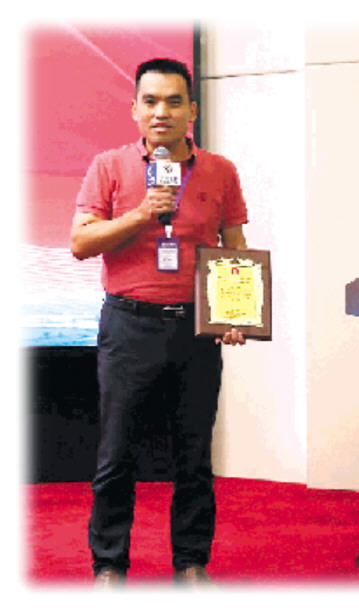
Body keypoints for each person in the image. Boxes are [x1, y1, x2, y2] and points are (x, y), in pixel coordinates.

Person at [70, 58, 248, 588]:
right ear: (135, 110)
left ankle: (191, 564)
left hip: (195, 330)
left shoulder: (220, 170)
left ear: (193, 110)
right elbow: (80, 242)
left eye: (173, 101)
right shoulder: (108, 166)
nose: (161, 112)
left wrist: (234, 312)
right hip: (129, 325)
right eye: (150, 101)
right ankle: (109, 566)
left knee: (194, 455)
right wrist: (142, 214)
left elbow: (234, 249)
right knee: (116, 455)